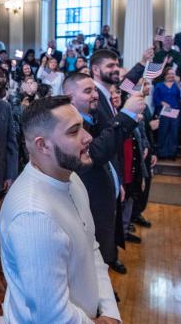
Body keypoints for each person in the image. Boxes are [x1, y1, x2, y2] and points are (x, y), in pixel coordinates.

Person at [0, 96, 121, 324]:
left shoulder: (71, 178)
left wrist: (110, 312)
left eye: (82, 127)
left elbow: (90, 247)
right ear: (42, 145)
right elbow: (50, 315)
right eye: (74, 132)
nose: (88, 137)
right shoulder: (34, 216)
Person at [63, 73, 142, 275]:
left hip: (105, 195)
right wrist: (127, 115)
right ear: (70, 98)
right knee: (92, 259)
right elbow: (95, 153)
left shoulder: (93, 117)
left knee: (105, 244)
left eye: (95, 90)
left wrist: (118, 183)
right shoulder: (70, 128)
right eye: (88, 91)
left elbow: (110, 152)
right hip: (90, 202)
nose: (95, 95)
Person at [152, 68, 181, 159]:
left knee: (174, 132)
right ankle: (161, 153)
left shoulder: (177, 85)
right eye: (169, 74)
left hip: (175, 112)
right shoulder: (159, 85)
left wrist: (180, 85)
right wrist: (162, 102)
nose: (171, 75)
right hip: (163, 112)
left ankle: (172, 154)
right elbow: (155, 98)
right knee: (163, 132)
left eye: (173, 74)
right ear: (165, 75)